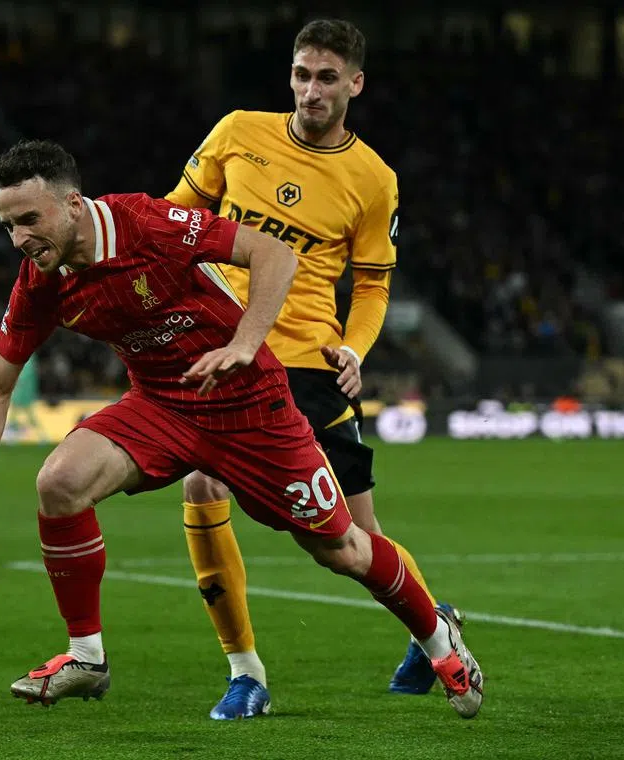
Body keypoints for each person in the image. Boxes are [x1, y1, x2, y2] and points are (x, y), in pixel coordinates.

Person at [0, 140, 483, 719]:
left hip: (251, 407)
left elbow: (274, 255)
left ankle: (439, 640)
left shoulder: (146, 223)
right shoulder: (40, 280)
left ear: (72, 204)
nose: (19, 239)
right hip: (164, 406)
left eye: (28, 220)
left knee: (341, 549)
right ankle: (87, 658)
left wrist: (244, 344)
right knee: (59, 482)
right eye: (8, 225)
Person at [165, 18, 461, 717]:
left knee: (358, 541)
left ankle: (431, 627)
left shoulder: (372, 179)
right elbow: (174, 219)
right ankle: (246, 674)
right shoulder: (238, 131)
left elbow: (375, 284)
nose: (310, 90)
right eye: (301, 74)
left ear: (355, 83)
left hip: (306, 364)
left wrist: (354, 348)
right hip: (219, 347)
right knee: (203, 485)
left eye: (327, 77)